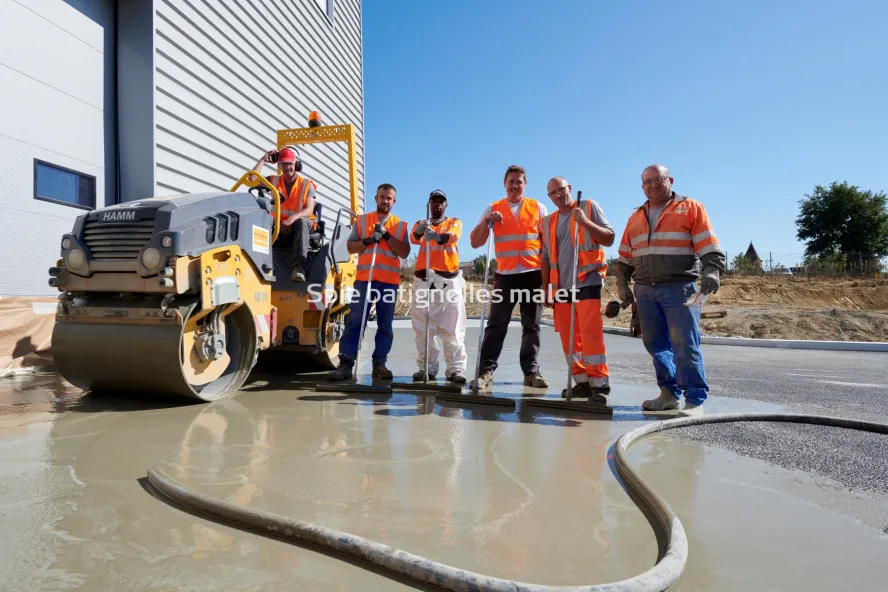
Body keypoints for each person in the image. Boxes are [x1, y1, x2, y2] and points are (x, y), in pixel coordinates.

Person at [615, 164, 726, 416]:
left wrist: (712, 270)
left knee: (685, 344)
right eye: (647, 182)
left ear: (670, 181)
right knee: (655, 344)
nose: (653, 185)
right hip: (645, 290)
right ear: (642, 187)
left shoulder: (690, 208)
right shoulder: (635, 217)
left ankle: (695, 399)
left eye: (659, 179)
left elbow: (708, 244)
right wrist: (622, 283)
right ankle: (668, 393)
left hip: (680, 288)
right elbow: (624, 257)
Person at [468, 165, 549, 390]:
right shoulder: (492, 208)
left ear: (525, 184)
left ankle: (531, 372)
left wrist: (548, 279)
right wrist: (487, 221)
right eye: (511, 181)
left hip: (533, 275)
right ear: (504, 184)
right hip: (505, 276)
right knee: (496, 325)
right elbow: (475, 242)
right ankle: (485, 372)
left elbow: (548, 244)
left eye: (518, 182)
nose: (515, 186)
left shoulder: (538, 207)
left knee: (532, 326)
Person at [541, 177, 615, 404]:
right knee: (569, 337)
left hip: (587, 279)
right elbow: (545, 257)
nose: (558, 195)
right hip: (561, 286)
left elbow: (609, 238)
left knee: (590, 334)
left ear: (569, 188)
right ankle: (581, 382)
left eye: (561, 190)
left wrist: (584, 222)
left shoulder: (589, 207)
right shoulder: (547, 222)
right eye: (552, 193)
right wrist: (546, 288)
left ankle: (599, 384)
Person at [328, 183, 410, 381]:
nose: (385, 201)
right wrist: (367, 241)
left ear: (394, 201)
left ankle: (379, 364)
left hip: (388, 282)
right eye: (382, 197)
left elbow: (404, 252)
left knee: (385, 325)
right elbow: (350, 247)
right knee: (356, 323)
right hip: (365, 280)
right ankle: (346, 363)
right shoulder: (363, 221)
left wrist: (387, 235)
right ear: (376, 198)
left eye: (389, 198)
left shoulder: (400, 225)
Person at [410, 190, 467, 384]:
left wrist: (436, 235)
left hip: (448, 281)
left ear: (446, 205)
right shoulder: (421, 223)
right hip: (424, 280)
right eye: (434, 201)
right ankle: (426, 367)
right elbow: (414, 238)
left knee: (453, 327)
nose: (438, 204)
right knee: (422, 328)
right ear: (429, 205)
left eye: (441, 201)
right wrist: (421, 231)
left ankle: (455, 368)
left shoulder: (454, 222)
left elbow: (452, 236)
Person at [252, 145, 318, 282]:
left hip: (300, 225)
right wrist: (263, 159)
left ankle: (299, 268)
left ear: (296, 164)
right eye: (284, 164)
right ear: (279, 165)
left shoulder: (306, 184)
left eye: (290, 164)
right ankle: (257, 266)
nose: (288, 167)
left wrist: (293, 218)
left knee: (302, 221)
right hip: (279, 226)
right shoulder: (273, 181)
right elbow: (252, 179)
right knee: (257, 219)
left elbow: (309, 210)